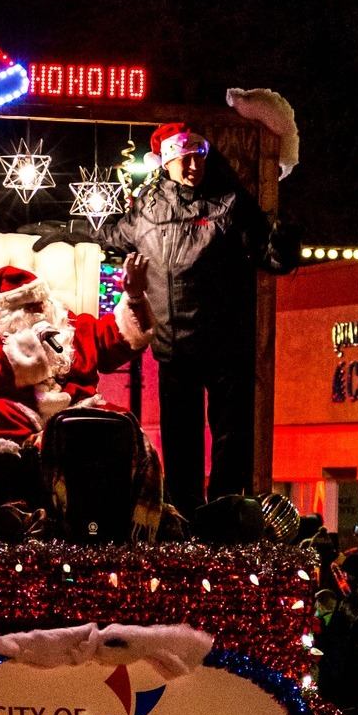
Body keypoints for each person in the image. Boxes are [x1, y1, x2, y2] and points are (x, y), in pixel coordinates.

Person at [94, 122, 298, 515]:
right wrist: (63, 229)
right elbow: (106, 236)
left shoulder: (230, 202)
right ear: (167, 160)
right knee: (181, 439)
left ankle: (224, 509)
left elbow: (271, 258)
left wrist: (286, 237)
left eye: (198, 156)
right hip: (174, 347)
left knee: (230, 437)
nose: (192, 166)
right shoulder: (147, 210)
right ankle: (185, 513)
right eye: (184, 157)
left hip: (225, 345)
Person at [0, 262, 157, 530]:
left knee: (120, 420)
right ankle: (15, 509)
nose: (37, 310)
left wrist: (135, 296)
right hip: (24, 413)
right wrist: (22, 353)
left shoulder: (71, 325)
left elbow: (120, 338)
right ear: (4, 314)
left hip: (76, 412)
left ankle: (140, 515)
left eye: (39, 302)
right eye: (26, 306)